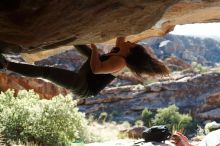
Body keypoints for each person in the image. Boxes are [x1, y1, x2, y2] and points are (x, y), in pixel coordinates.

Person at [0, 37, 169, 97]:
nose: (129, 42)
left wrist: (95, 50)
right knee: (84, 47)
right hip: (86, 75)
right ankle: (70, 37)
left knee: (46, 72)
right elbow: (121, 35)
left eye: (131, 44)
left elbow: (96, 69)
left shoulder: (120, 62)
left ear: (130, 51)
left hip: (83, 86)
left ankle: (5, 64)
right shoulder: (120, 52)